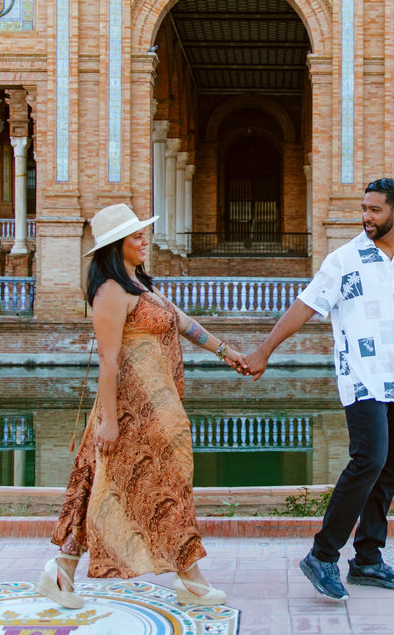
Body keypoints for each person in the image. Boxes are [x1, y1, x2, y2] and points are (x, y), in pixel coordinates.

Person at [242, 178, 394, 600]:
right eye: (364, 208)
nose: (366, 217)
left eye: (375, 210)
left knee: (389, 468)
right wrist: (264, 350)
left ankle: (368, 560)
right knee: (369, 459)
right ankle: (323, 555)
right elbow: (305, 305)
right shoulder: (344, 260)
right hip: (361, 375)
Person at [40, 203, 245, 609]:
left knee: (107, 486)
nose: (143, 240)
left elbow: (183, 323)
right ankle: (190, 578)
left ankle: (61, 570)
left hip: (159, 411)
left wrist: (227, 352)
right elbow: (109, 361)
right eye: (136, 236)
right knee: (156, 488)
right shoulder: (111, 292)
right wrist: (110, 422)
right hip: (130, 415)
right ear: (117, 245)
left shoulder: (140, 285)